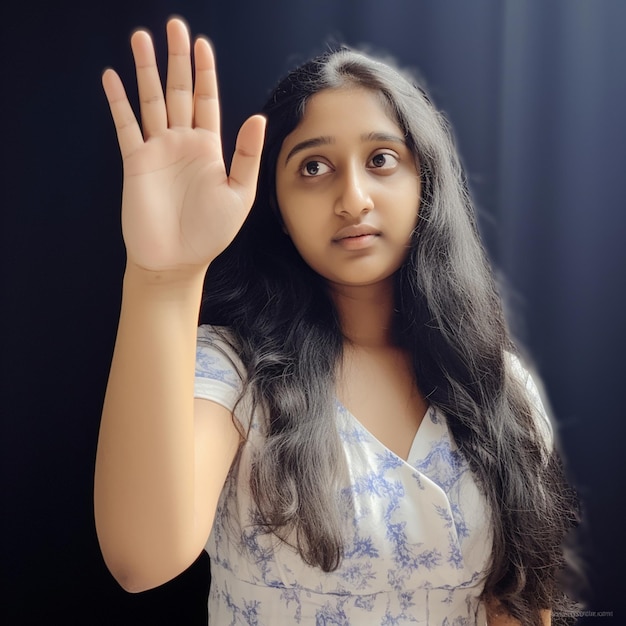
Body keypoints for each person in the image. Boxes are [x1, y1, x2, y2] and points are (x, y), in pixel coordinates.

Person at [94, 17, 579, 625]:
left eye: (381, 159)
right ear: (276, 203)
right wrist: (163, 279)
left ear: (427, 181)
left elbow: (516, 601)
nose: (353, 198)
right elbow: (141, 559)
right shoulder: (233, 373)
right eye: (313, 168)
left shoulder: (501, 386)